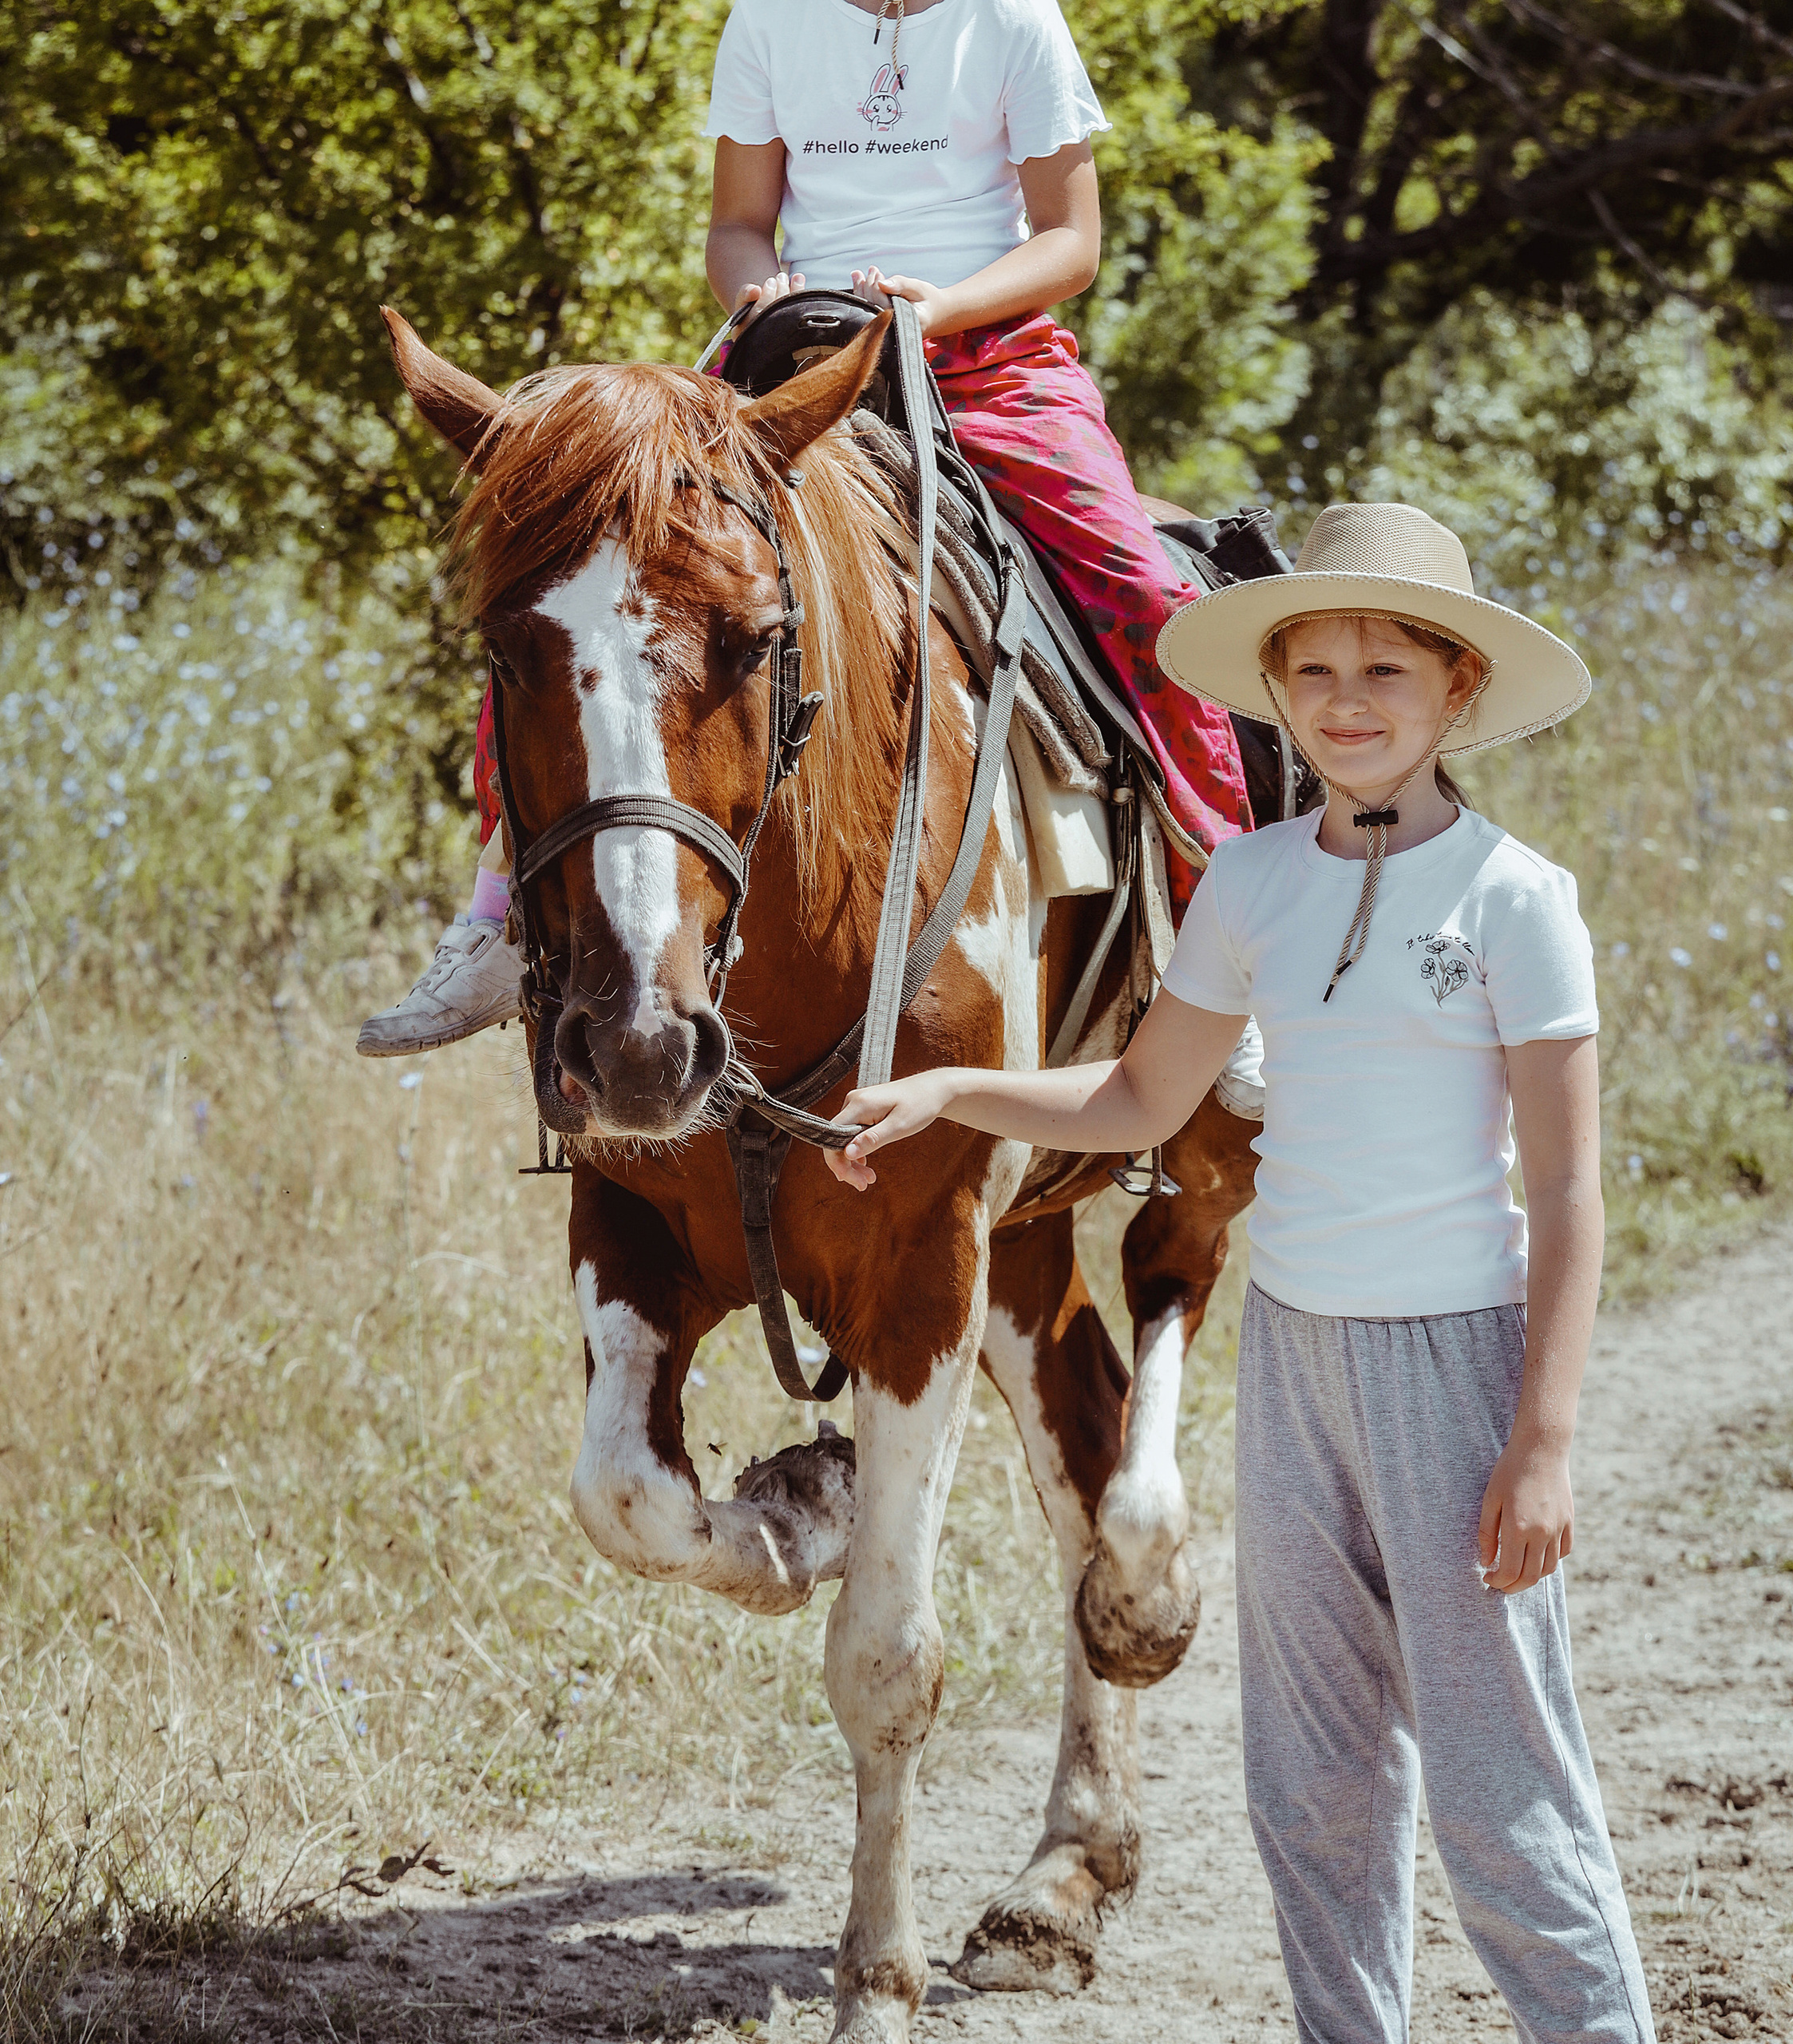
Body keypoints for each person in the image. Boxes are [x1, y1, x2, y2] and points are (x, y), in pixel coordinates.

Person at [824, 502, 1656, 2044]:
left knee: (1497, 1776)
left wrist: (1542, 1439)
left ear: (1457, 688)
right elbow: (1138, 1100)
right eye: (1316, 669)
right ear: (1275, 694)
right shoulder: (1251, 881)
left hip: (1456, 1367)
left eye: (1388, 668)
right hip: (1292, 1362)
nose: (1349, 699)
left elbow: (1567, 1186)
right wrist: (954, 1093)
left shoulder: (1515, 900)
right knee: (1311, 1775)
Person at [357, 0, 1253, 1056]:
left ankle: (1219, 937)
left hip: (988, 357)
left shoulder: (1014, 19)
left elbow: (1071, 238)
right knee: (577, 579)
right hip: (785, 360)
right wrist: (757, 289)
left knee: (1151, 602)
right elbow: (738, 224)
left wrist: (938, 309)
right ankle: (495, 916)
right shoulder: (771, 18)